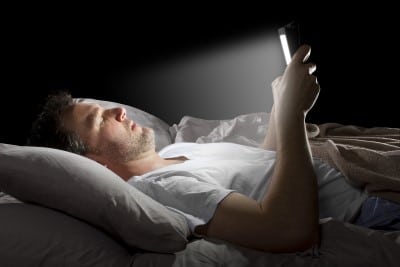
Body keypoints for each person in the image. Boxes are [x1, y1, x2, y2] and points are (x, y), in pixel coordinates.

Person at [27, 45, 367, 253]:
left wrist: (281, 104)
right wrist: (294, 115)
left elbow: (265, 164)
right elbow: (286, 230)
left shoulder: (182, 150)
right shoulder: (162, 188)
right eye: (101, 121)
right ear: (92, 164)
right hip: (370, 210)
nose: (119, 111)